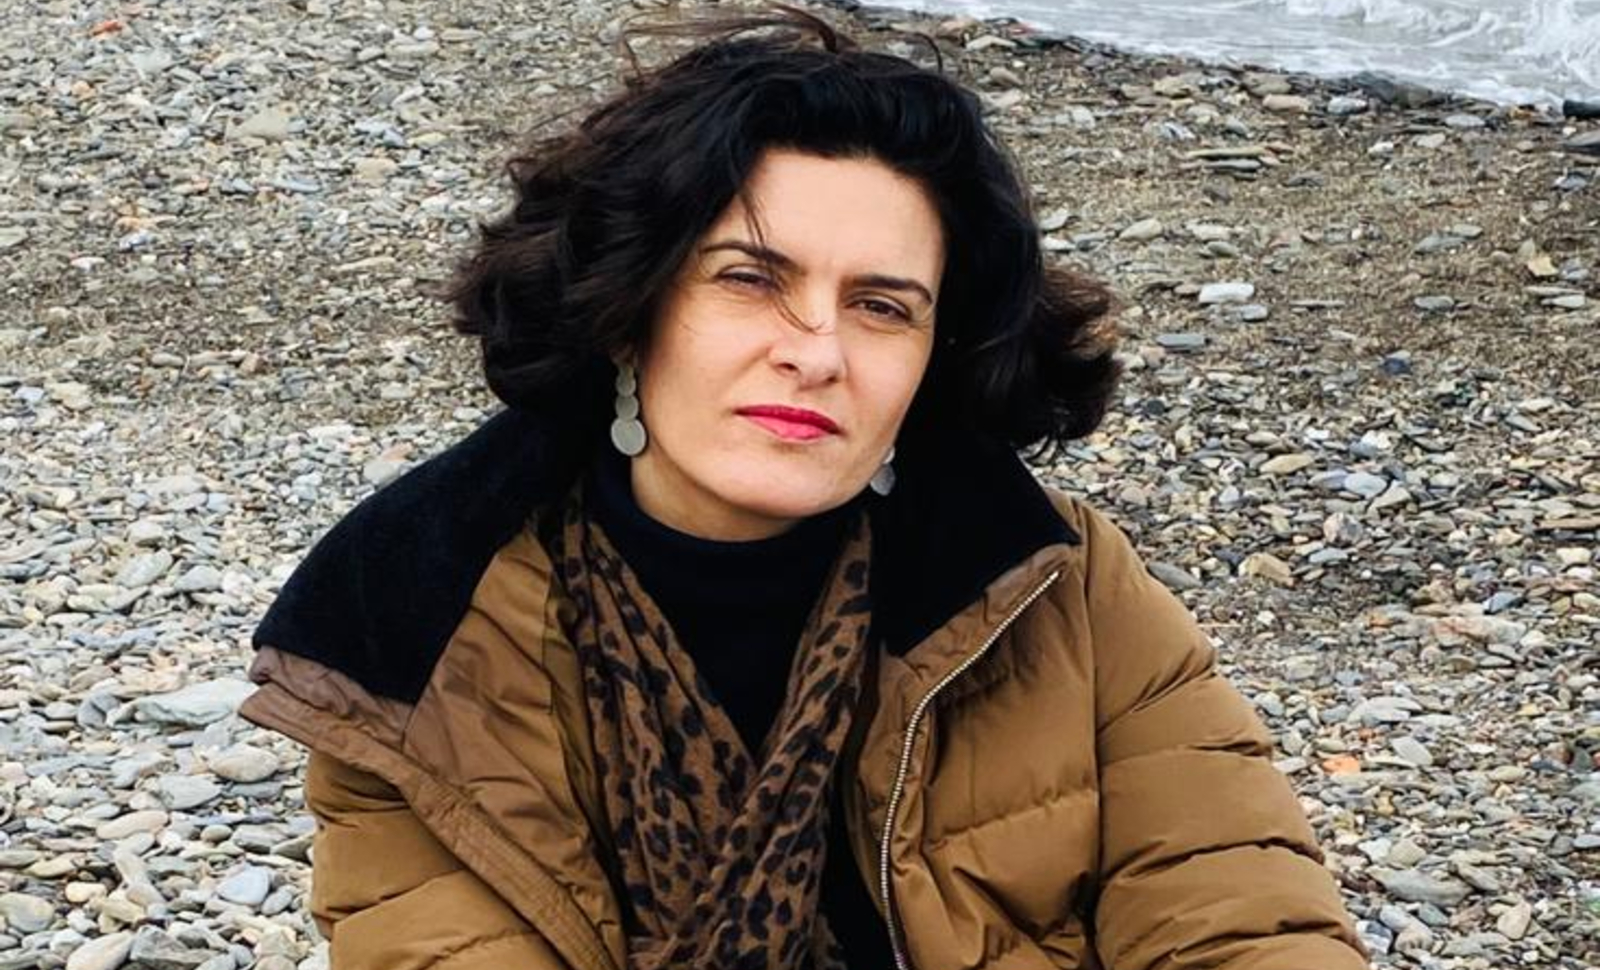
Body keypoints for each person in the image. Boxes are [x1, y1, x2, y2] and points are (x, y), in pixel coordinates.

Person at [240, 9, 1367, 970]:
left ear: (933, 356)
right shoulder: (410, 642)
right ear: (629, 309)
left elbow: (1243, 918)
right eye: (749, 279)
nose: (817, 352)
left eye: (881, 306)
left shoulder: (1058, 588)